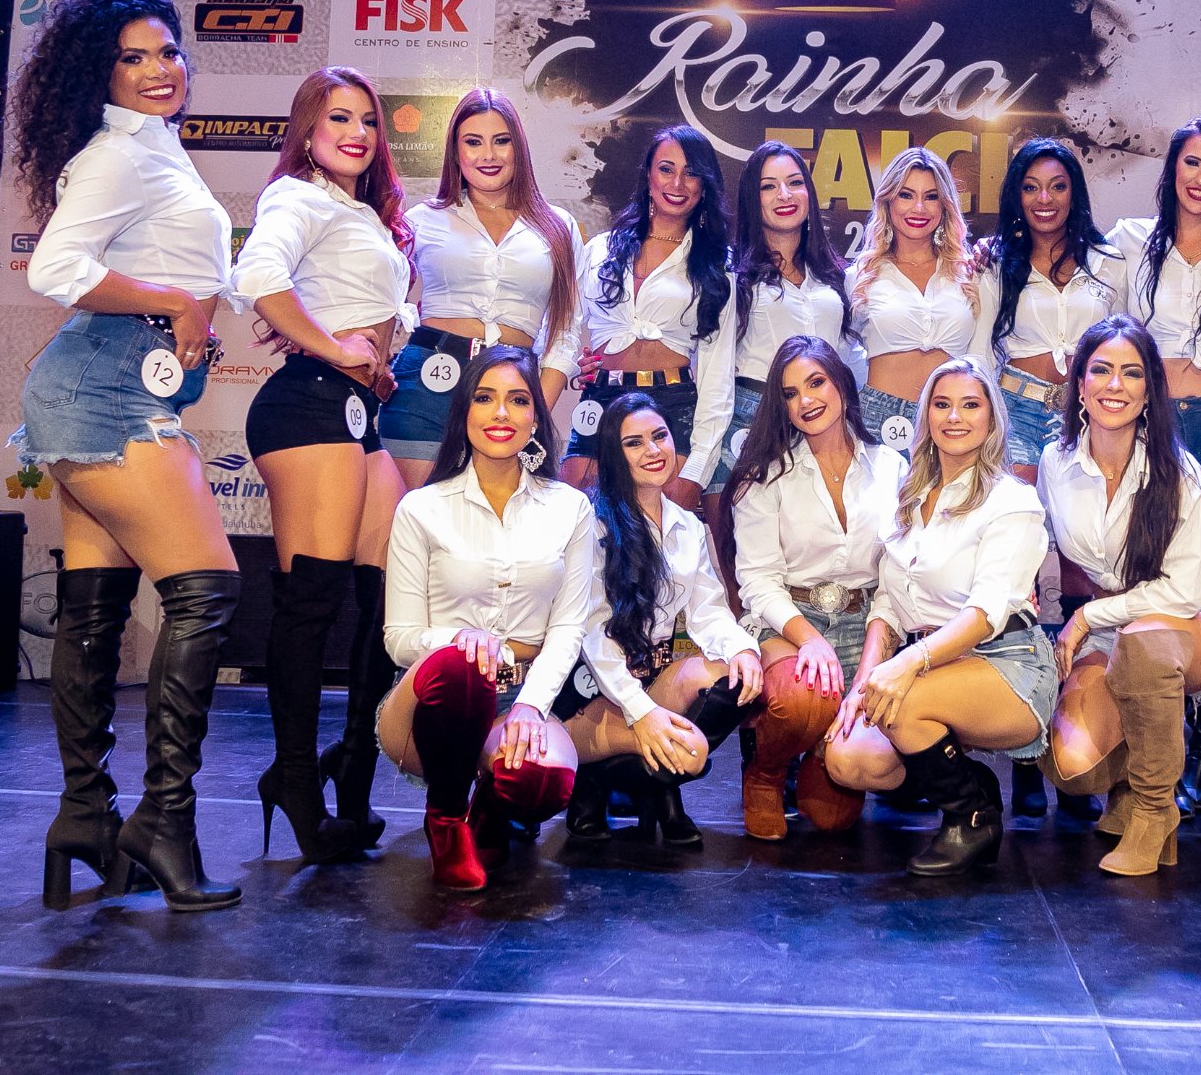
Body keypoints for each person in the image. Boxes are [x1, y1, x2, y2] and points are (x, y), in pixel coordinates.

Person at [10, 0, 240, 912]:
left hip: (105, 378)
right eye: (132, 57)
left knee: (94, 604)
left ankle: (85, 815)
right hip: (105, 386)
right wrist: (173, 302)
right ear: (99, 73)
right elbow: (55, 267)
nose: (158, 69)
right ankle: (163, 823)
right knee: (207, 588)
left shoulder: (154, 150)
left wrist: (191, 315)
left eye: (168, 51)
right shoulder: (119, 155)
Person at [231, 65, 413, 866]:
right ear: (307, 129)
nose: (357, 132)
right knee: (311, 602)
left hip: (356, 412)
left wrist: (373, 360)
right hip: (307, 406)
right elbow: (256, 276)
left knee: (386, 595)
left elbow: (365, 304)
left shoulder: (361, 212)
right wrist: (332, 347)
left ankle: (354, 766)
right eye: (339, 117)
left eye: (368, 120)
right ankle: (295, 777)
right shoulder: (295, 197)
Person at [824, 359, 1055, 877]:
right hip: (929, 663)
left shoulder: (1011, 500)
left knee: (902, 702)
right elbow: (888, 604)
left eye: (970, 405)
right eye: (942, 404)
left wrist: (905, 666)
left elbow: (985, 614)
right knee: (847, 758)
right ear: (925, 414)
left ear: (992, 418)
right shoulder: (909, 496)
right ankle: (969, 781)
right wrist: (864, 681)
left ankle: (971, 817)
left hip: (1006, 661)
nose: (954, 417)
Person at [376, 347, 591, 891]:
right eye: (485, 398)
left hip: (521, 693)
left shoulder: (571, 508)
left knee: (542, 782)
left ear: (536, 417)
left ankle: (492, 810)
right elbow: (399, 639)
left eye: (518, 400)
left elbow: (568, 629)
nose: (500, 413)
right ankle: (447, 819)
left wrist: (530, 706)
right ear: (464, 412)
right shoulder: (421, 508)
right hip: (430, 707)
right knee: (463, 663)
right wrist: (462, 639)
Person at [1038, 317, 1201, 876]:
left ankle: (1156, 812)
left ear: (1150, 389)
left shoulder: (1180, 471)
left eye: (1132, 373)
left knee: (1145, 643)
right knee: (1072, 765)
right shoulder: (1055, 463)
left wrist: (1088, 616)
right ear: (1079, 383)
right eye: (1101, 370)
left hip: (1187, 623)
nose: (1115, 385)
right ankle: (1129, 784)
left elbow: (1185, 590)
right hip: (1110, 627)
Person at [1106, 115, 1201, 819]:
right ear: (1171, 170)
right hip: (1156, 429)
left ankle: (1200, 764)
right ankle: (1145, 750)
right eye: (1191, 163)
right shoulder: (1129, 242)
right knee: (1148, 584)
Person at [978, 136, 1124, 820]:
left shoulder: (1108, 261)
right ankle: (1024, 752)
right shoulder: (993, 265)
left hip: (1085, 422)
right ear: (1016, 194)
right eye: (1032, 186)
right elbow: (978, 354)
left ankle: (1072, 742)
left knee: (1080, 573)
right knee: (1019, 577)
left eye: (1058, 186)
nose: (1045, 199)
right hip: (1018, 415)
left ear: (1075, 193)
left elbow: (1130, 342)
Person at [559, 392, 764, 847]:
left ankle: (655, 783)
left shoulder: (687, 525)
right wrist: (643, 711)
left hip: (654, 673)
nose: (653, 450)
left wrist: (744, 649)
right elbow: (592, 637)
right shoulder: (591, 523)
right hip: (591, 683)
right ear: (613, 454)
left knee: (738, 675)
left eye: (660, 436)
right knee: (683, 745)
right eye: (634, 443)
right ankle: (597, 780)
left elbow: (709, 611)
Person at [725, 335, 904, 839]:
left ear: (842, 383)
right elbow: (758, 581)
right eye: (790, 393)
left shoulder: (892, 467)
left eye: (816, 382)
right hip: (789, 621)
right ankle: (764, 773)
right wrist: (811, 640)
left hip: (868, 624)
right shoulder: (763, 477)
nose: (805, 400)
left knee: (832, 817)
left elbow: (897, 580)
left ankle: (823, 750)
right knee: (806, 697)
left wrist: (867, 673)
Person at [379, 88, 584, 489]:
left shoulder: (558, 226)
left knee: (499, 521)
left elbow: (566, 331)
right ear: (455, 153)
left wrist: (534, 406)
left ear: (518, 148)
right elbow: (382, 301)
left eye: (501, 141)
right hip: (427, 384)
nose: (488, 155)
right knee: (416, 518)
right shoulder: (422, 219)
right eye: (473, 142)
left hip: (514, 387)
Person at [703, 141, 858, 602]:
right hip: (748, 425)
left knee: (815, 557)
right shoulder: (731, 274)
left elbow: (853, 356)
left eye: (794, 183)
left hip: (823, 424)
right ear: (752, 200)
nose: (784, 195)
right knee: (743, 575)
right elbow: (710, 365)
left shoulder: (836, 275)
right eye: (769, 186)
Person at [559, 127, 734, 513]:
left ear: (704, 185)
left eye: (691, 173)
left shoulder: (717, 264)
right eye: (666, 169)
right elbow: (562, 330)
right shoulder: (600, 248)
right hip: (600, 400)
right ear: (648, 176)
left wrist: (696, 471)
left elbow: (718, 377)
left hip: (673, 404)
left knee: (660, 537)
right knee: (579, 524)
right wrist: (575, 367)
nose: (677, 183)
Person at [847, 147, 988, 454]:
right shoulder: (861, 276)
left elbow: (983, 355)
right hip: (879, 418)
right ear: (888, 200)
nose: (919, 208)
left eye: (931, 196)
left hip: (952, 420)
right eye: (906, 195)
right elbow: (841, 355)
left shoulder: (970, 272)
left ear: (945, 205)